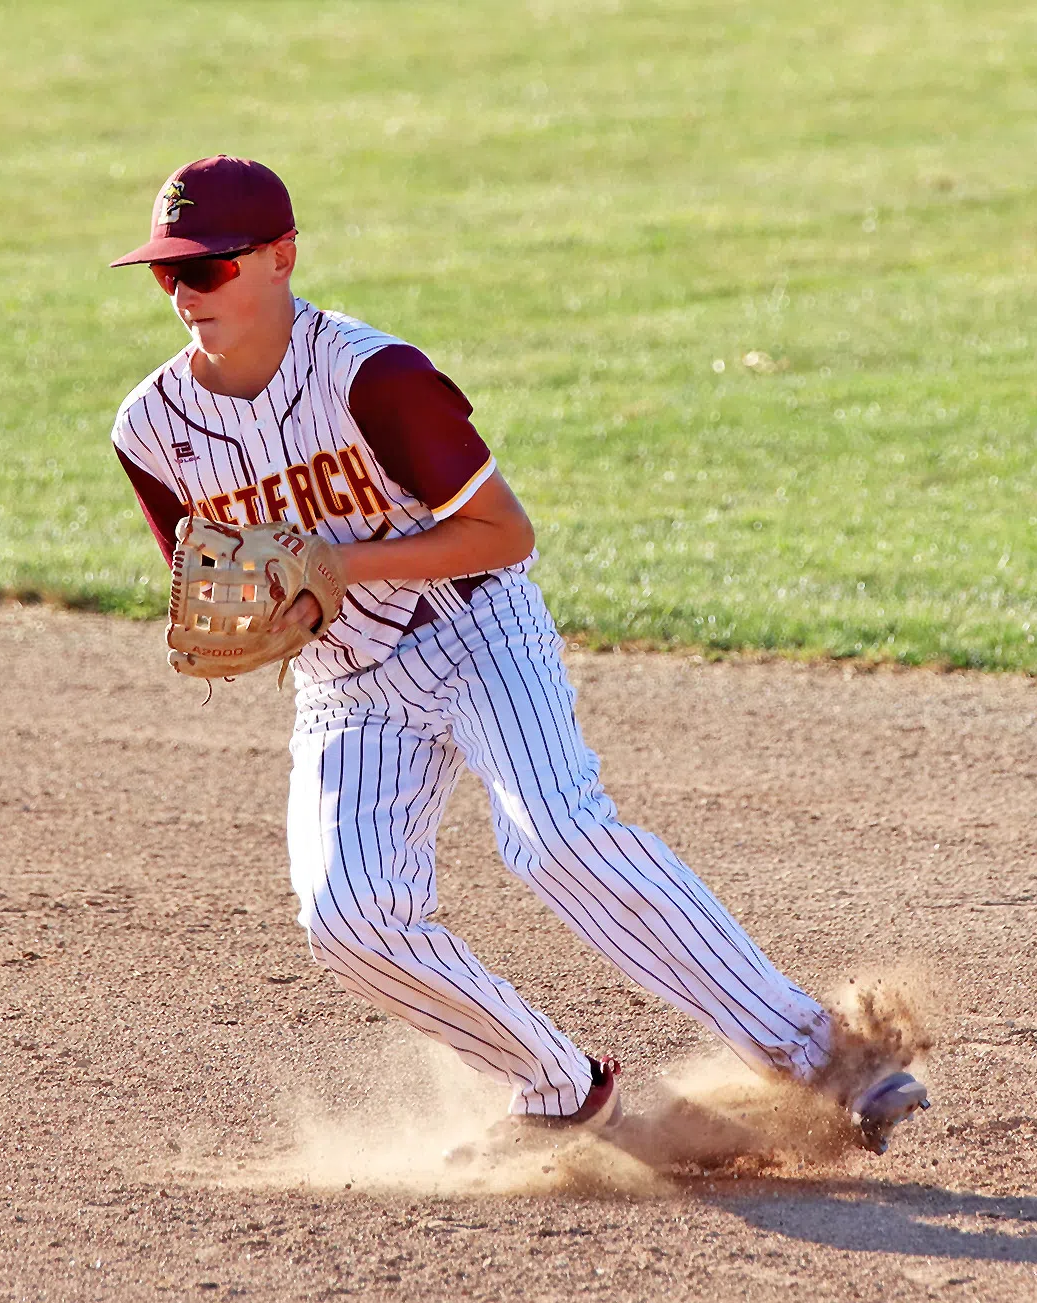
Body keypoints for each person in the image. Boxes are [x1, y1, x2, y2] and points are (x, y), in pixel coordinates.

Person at [107, 155, 930, 1152]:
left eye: (210, 269)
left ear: (282, 257)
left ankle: (826, 1057)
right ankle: (557, 1089)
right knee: (348, 917)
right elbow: (221, 586)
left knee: (555, 836)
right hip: (348, 686)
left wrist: (344, 561)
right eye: (168, 273)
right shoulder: (152, 429)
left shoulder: (375, 377)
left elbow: (505, 535)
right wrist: (266, 624)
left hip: (472, 628)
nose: (187, 295)